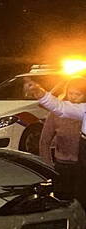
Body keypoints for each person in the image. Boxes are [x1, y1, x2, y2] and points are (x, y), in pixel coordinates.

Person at [28, 76, 86, 204]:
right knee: (63, 201)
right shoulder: (57, 114)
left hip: (82, 166)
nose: (73, 97)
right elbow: (44, 141)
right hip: (63, 166)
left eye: (78, 94)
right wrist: (47, 166)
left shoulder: (82, 111)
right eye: (71, 93)